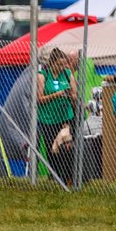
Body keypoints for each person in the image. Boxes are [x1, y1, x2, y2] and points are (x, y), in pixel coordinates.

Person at [35, 47, 77, 184]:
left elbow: (75, 95)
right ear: (52, 62)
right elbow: (39, 99)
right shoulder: (42, 75)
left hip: (65, 117)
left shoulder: (67, 74)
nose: (61, 67)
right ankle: (54, 176)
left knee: (66, 147)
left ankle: (66, 177)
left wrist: (72, 95)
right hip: (48, 119)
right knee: (52, 149)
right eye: (58, 64)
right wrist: (57, 95)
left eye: (63, 64)